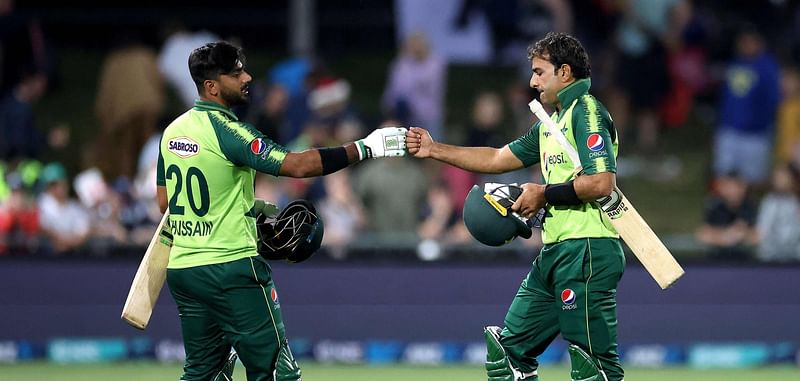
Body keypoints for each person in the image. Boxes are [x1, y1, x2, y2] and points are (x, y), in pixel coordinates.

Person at [155, 41, 406, 381]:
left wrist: (245, 206)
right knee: (277, 372)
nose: (247, 77)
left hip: (184, 270)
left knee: (203, 373)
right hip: (231, 267)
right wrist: (367, 147)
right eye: (235, 73)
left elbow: (165, 204)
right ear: (211, 86)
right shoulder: (228, 131)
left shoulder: (173, 132)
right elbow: (298, 165)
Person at [407, 32, 624, 381]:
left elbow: (601, 183)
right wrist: (435, 149)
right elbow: (496, 157)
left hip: (588, 249)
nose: (532, 81)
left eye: (539, 72)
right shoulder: (550, 126)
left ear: (565, 73)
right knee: (507, 355)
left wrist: (543, 194)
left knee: (593, 368)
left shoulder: (586, 112)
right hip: (555, 252)